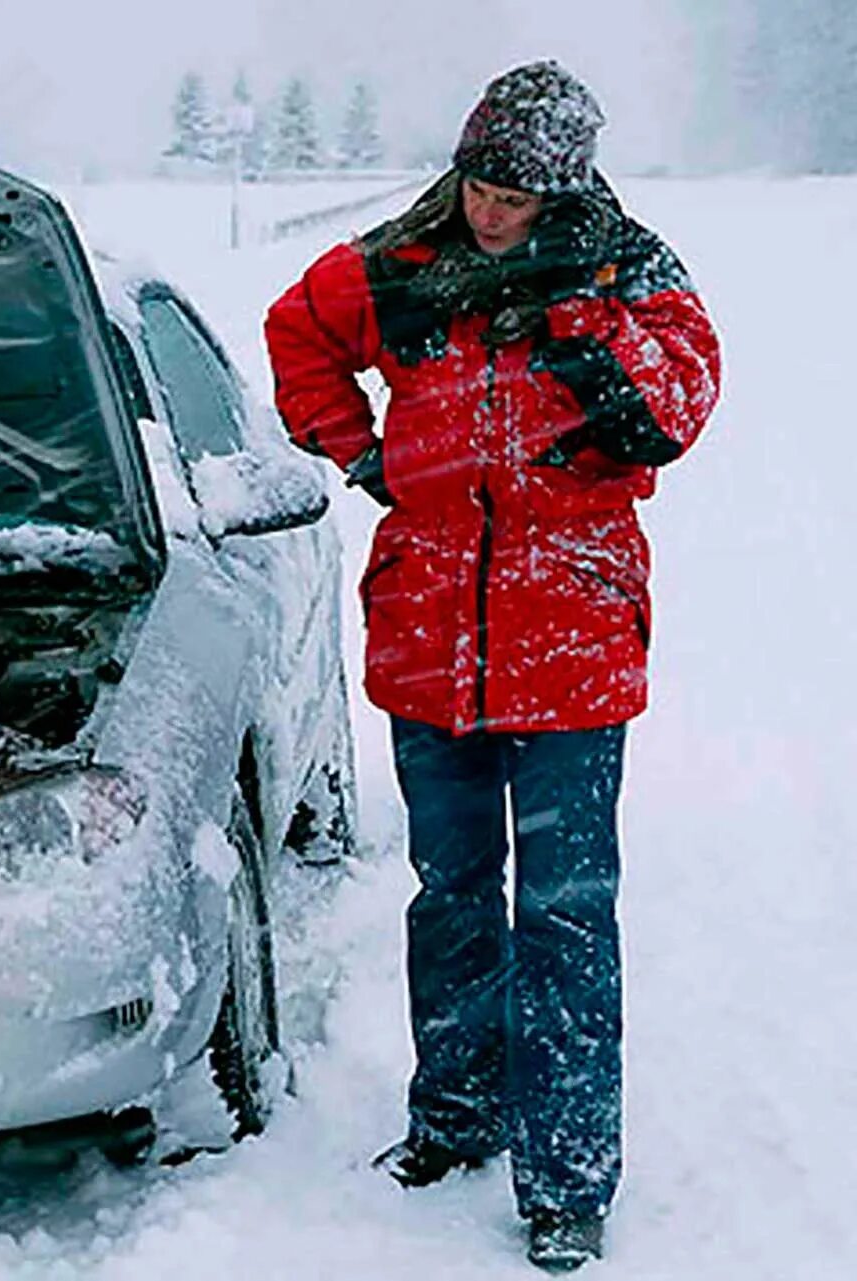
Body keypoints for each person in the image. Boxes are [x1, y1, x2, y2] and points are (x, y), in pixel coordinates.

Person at [263, 61, 721, 1272]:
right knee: (448, 894)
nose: (491, 211)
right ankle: (455, 1118)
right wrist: (356, 455)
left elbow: (679, 405)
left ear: (563, 190)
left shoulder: (630, 270)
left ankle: (567, 1177)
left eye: (518, 193)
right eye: (481, 181)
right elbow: (297, 331)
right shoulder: (397, 264)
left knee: (566, 913)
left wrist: (577, 330)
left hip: (571, 638)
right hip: (427, 640)